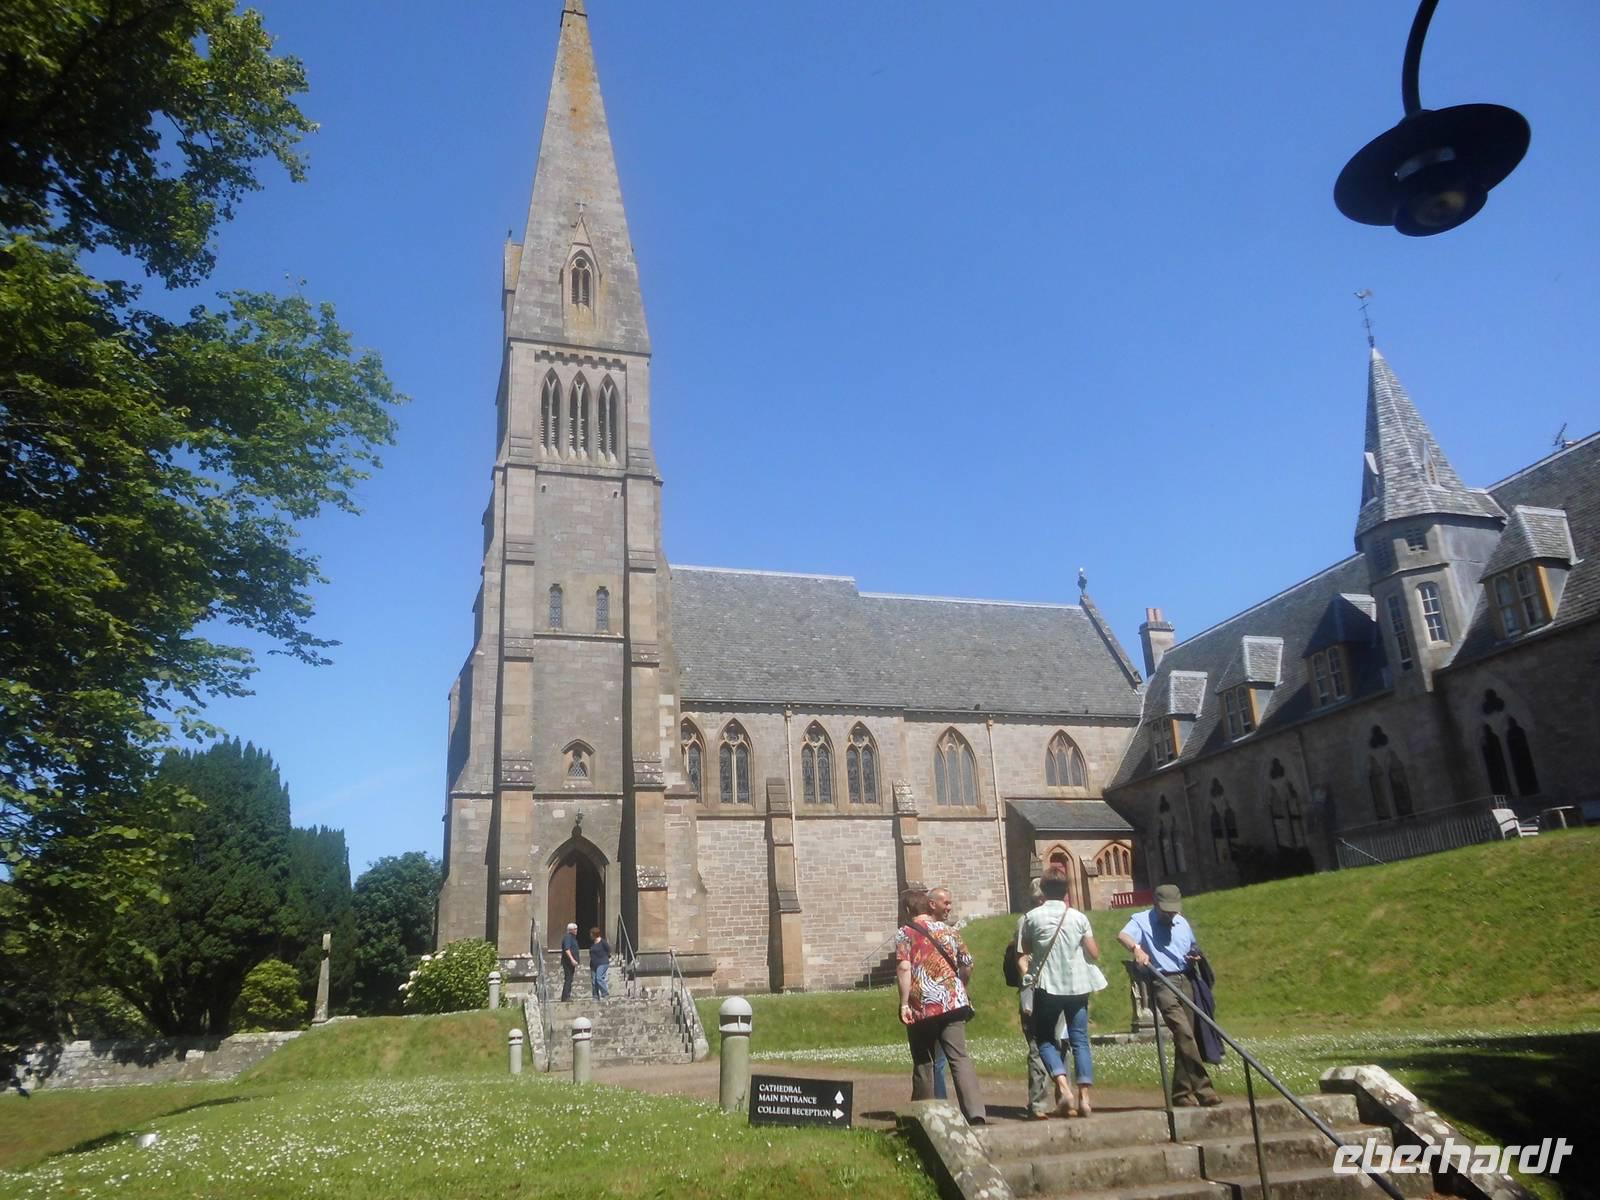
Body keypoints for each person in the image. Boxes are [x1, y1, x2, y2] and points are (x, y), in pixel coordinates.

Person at [1117, 883, 1222, 1107]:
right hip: (1163, 982)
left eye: (1173, 910)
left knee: (1188, 1036)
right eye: (1166, 910)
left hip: (1186, 980)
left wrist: (1194, 956)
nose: (1170, 914)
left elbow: (1192, 946)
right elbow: (1122, 935)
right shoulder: (1141, 920)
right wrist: (1137, 948)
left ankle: (1180, 1092)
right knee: (1183, 1033)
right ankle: (1204, 1089)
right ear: (1155, 904)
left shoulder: (1181, 922)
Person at [895, 887, 986, 1124]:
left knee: (925, 1061)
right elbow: (967, 963)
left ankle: (926, 1118)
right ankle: (975, 1114)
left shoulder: (905, 933)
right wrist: (960, 986)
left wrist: (904, 1003)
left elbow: (904, 968)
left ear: (907, 909)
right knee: (959, 1058)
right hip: (953, 1002)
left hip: (923, 1004)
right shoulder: (949, 931)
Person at [1018, 864, 1101, 1117]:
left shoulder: (1032, 918)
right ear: (1067, 890)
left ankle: (1063, 1087)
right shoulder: (1078, 917)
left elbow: (1025, 952)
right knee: (1079, 1040)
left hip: (1048, 986)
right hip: (1077, 986)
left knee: (1044, 1039)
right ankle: (1084, 1098)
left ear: (1042, 889)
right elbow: (1094, 953)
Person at [1015, 878, 1052, 1119]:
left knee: (1038, 1045)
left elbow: (1021, 958)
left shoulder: (1026, 920)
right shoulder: (1070, 916)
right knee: (1057, 1043)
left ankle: (1040, 1104)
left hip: (1039, 989)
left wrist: (1028, 983)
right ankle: (1061, 1098)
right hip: (1058, 989)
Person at [560, 922, 581, 1001]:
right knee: (568, 979)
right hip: (568, 962)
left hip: (570, 962)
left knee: (570, 978)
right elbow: (567, 949)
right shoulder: (568, 937)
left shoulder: (572, 938)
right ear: (570, 930)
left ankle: (566, 995)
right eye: (575, 929)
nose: (576, 930)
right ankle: (565, 997)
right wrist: (572, 959)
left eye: (576, 929)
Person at [589, 926, 611, 999]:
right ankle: (595, 996)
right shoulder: (593, 943)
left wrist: (605, 957)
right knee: (594, 981)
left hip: (602, 963)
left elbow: (608, 950)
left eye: (591, 934)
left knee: (599, 978)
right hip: (593, 964)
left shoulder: (602, 942)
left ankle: (605, 993)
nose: (590, 935)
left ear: (594, 934)